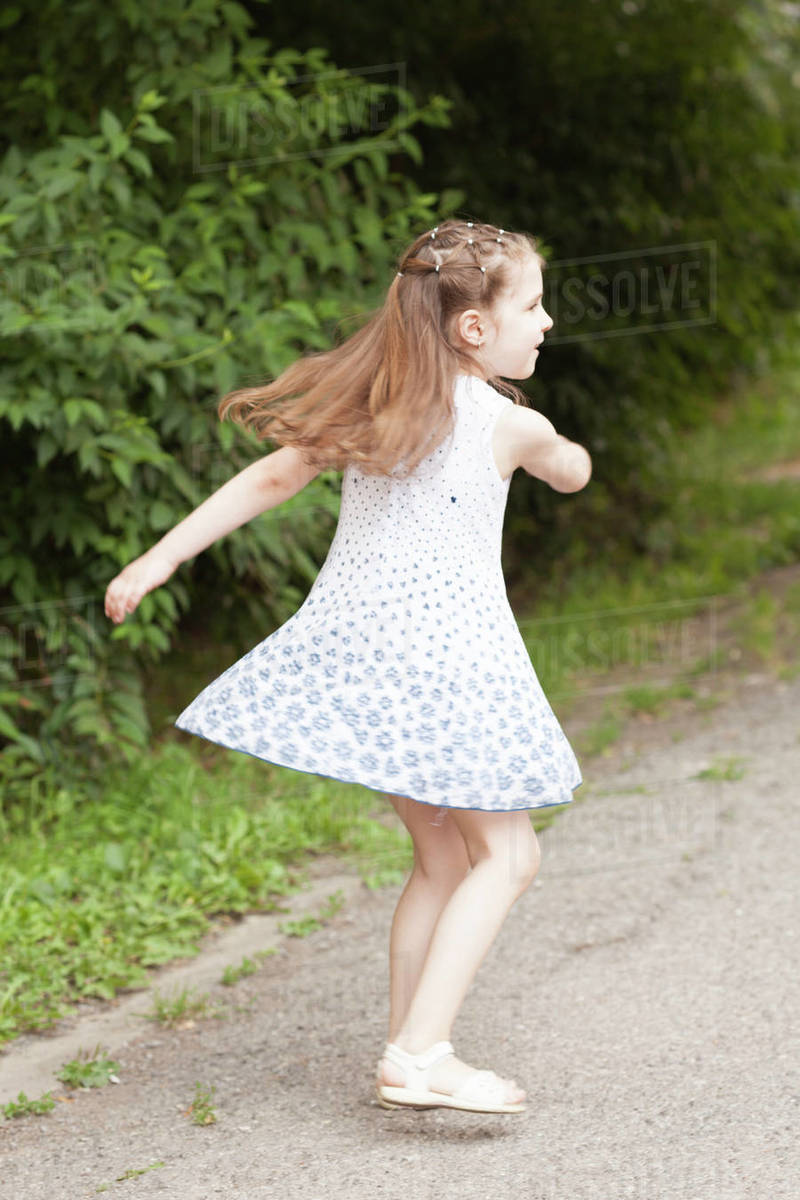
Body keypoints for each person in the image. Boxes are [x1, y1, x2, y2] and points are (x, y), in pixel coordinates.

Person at [104, 218, 592, 1116]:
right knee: (510, 855)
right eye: (532, 304)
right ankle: (421, 1055)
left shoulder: (385, 406)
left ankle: (405, 1048)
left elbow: (269, 481)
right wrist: (565, 451)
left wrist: (158, 560)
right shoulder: (504, 421)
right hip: (449, 661)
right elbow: (571, 474)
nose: (547, 321)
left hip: (367, 657)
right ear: (473, 328)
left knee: (442, 860)